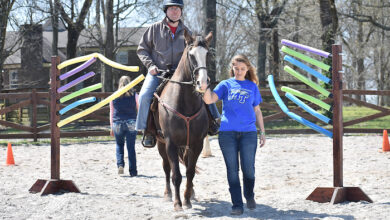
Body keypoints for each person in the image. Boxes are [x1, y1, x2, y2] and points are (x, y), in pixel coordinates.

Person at [136, 0, 220, 147]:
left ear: (181, 11)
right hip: (158, 72)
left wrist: (200, 71)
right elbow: (142, 49)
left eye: (177, 9)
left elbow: (194, 55)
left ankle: (214, 120)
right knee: (144, 96)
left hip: (180, 74)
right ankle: (147, 130)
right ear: (166, 11)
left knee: (204, 88)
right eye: (171, 8)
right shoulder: (154, 28)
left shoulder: (187, 32)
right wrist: (150, 66)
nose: (175, 11)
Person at [203, 54, 266, 215]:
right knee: (232, 170)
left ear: (247, 69)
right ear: (232, 68)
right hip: (227, 133)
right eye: (236, 68)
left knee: (248, 169)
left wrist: (263, 132)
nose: (239, 71)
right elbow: (210, 100)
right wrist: (205, 86)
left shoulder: (252, 86)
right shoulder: (225, 85)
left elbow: (257, 111)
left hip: (249, 133)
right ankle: (237, 204)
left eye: (242, 69)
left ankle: (249, 195)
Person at [110, 76, 139, 176]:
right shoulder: (134, 95)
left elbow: (112, 111)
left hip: (117, 122)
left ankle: (120, 165)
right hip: (131, 122)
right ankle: (133, 171)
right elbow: (139, 109)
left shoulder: (114, 96)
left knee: (119, 145)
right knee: (131, 147)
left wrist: (111, 126)